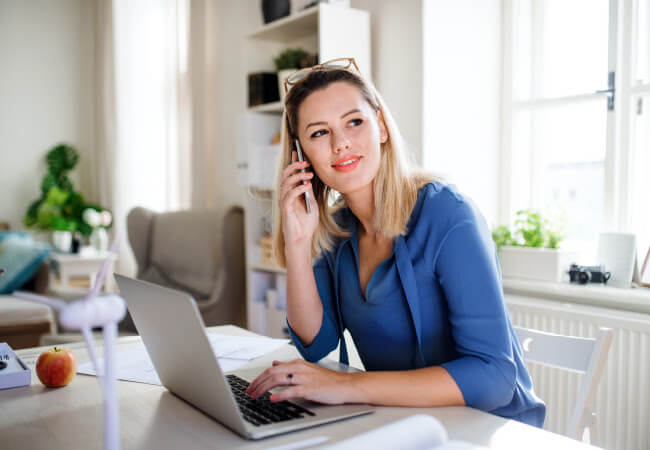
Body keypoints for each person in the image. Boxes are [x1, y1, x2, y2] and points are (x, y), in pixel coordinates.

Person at [246, 58, 546, 427]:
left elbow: (494, 377)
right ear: (302, 155)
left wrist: (348, 386)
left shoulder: (448, 215)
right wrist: (297, 241)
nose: (341, 144)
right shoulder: (339, 228)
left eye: (354, 122)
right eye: (319, 133)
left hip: (488, 428)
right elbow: (315, 342)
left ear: (382, 127)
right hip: (404, 422)